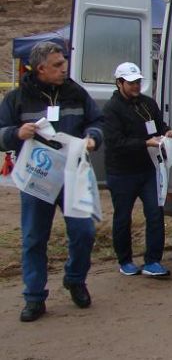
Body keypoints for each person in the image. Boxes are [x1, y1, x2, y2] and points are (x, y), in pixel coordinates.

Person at [0, 41, 103, 322]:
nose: (64, 68)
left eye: (64, 62)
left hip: (73, 174)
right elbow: (1, 133)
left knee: (84, 232)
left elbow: (97, 121)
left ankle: (75, 279)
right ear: (41, 68)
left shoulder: (76, 93)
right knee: (34, 238)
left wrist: (94, 137)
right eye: (57, 65)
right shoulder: (17, 99)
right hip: (37, 176)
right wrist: (15, 133)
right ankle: (34, 297)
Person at [103, 62, 172, 278]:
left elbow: (159, 126)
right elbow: (115, 141)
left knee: (155, 213)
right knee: (123, 217)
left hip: (149, 169)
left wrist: (168, 132)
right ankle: (125, 260)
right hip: (121, 172)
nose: (136, 86)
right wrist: (145, 143)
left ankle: (153, 260)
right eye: (131, 83)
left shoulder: (147, 104)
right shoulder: (111, 109)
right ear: (119, 83)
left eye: (138, 82)